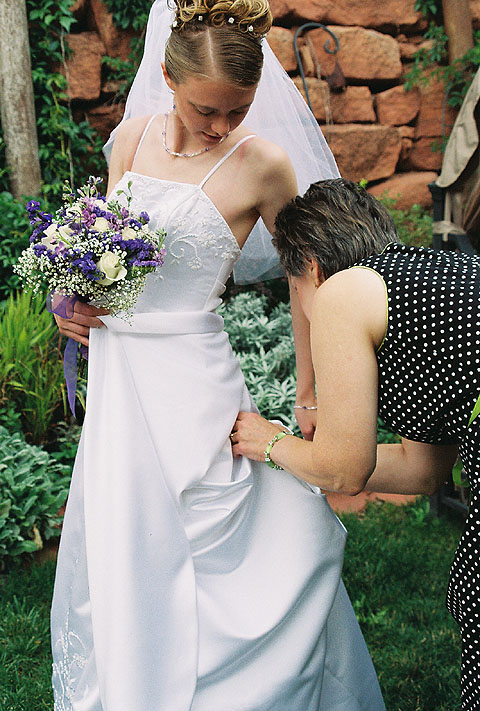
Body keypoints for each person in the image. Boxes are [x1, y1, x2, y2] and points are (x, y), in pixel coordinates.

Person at [50, 2, 385, 709]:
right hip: (122, 376)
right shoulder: (128, 142)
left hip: (196, 378)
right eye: (207, 109)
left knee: (216, 523)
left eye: (239, 109)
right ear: (169, 79)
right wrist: (78, 302)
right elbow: (109, 258)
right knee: (129, 533)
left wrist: (310, 390)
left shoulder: (264, 164)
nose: (222, 125)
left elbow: (306, 280)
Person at [232, 177, 480, 711]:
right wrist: (305, 455)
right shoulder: (419, 284)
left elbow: (344, 472)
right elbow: (421, 470)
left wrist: (271, 443)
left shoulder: (342, 293)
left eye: (294, 289)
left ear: (311, 268)